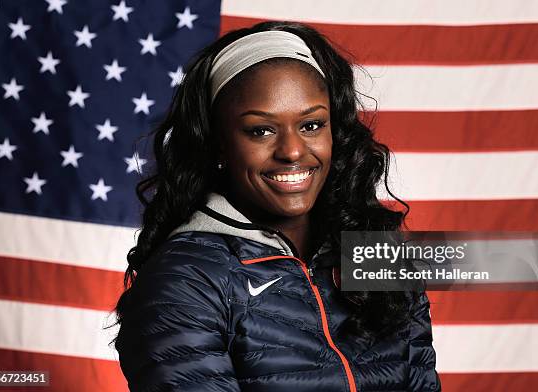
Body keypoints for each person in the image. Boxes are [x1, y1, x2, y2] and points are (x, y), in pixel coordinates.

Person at [112, 21, 441, 392]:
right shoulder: (186, 282)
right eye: (261, 130)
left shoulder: (376, 257)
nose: (293, 151)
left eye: (312, 125)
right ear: (219, 145)